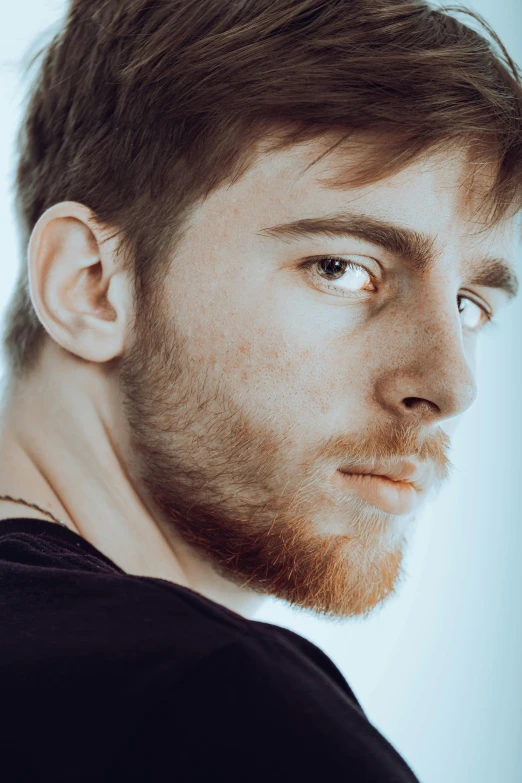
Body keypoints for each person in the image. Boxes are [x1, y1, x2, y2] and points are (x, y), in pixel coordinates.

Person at [0, 0, 520, 780]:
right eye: (340, 268)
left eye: (471, 303)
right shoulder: (214, 704)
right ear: (93, 286)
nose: (451, 383)